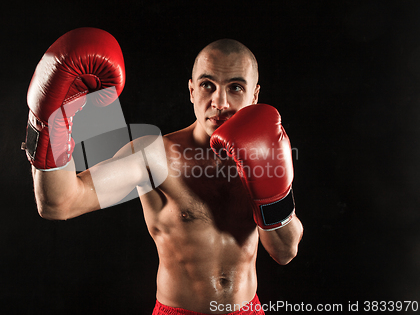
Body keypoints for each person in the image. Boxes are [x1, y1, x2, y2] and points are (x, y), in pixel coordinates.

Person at [22, 27, 303, 315]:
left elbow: (285, 251)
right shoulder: (154, 156)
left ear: (255, 95)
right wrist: (47, 125)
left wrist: (271, 194)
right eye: (208, 85)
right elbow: (59, 204)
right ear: (192, 91)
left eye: (235, 87)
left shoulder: (265, 150)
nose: (220, 103)